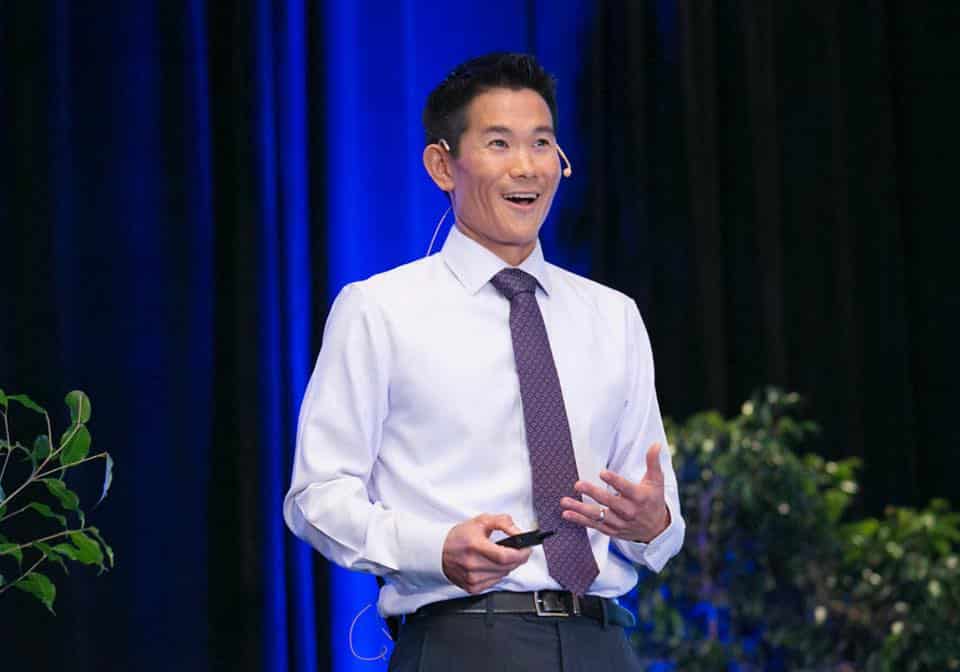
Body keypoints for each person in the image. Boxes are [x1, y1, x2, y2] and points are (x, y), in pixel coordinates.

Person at [284, 52, 684, 671]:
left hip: (604, 641)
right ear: (442, 165)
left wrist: (652, 522)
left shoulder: (613, 316)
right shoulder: (380, 309)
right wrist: (433, 549)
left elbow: (658, 513)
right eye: (499, 143)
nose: (526, 166)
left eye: (542, 143)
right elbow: (317, 496)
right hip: (465, 638)